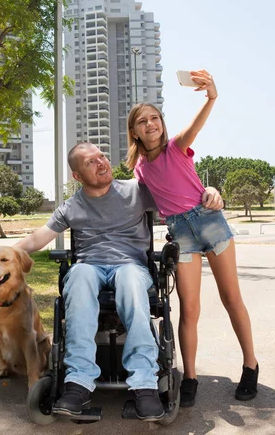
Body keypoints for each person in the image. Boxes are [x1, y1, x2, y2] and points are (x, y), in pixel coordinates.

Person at [14, 141, 223, 420]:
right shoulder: (71, 206)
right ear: (77, 176)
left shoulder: (135, 190)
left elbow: (180, 196)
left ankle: (145, 383)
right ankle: (77, 382)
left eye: (102, 156)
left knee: (130, 280)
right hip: (90, 266)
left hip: (130, 265)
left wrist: (208, 192)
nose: (101, 163)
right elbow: (37, 238)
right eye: (90, 162)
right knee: (78, 276)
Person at [126, 69, 258, 408]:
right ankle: (191, 377)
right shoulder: (140, 170)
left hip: (210, 222)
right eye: (143, 121)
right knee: (189, 309)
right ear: (135, 131)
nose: (151, 124)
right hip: (182, 235)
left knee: (231, 299)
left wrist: (212, 95)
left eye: (155, 118)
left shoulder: (176, 146)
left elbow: (196, 126)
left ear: (162, 124)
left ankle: (250, 365)